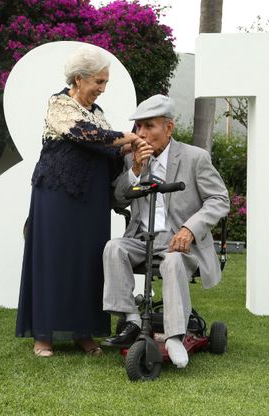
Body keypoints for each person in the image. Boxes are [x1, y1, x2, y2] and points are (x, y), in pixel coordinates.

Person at [15, 46, 147, 357]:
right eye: (98, 82)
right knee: (54, 261)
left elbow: (109, 150)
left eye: (105, 83)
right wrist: (128, 138)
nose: (102, 89)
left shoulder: (99, 114)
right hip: (57, 197)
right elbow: (86, 135)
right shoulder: (59, 105)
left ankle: (84, 333)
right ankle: (44, 336)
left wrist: (133, 151)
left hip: (92, 201)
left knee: (89, 263)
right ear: (79, 79)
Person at [102, 94, 229, 368]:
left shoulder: (196, 158)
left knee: (171, 259)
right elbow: (118, 199)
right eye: (138, 127)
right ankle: (131, 319)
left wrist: (189, 229)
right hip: (142, 239)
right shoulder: (132, 160)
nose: (141, 134)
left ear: (168, 128)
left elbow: (219, 199)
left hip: (181, 242)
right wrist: (135, 170)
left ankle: (174, 336)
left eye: (149, 126)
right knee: (113, 247)